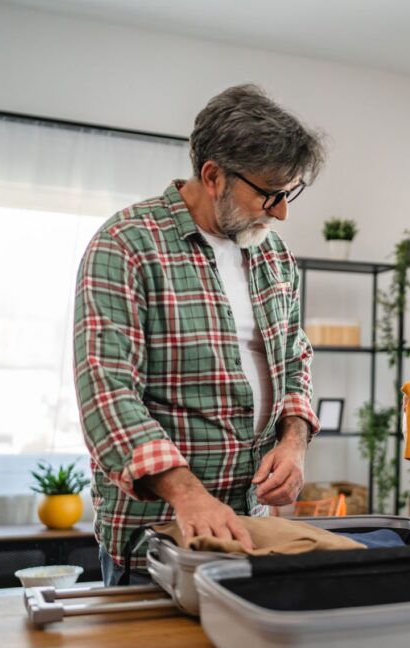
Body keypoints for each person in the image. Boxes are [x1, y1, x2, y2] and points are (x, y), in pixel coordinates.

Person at [73, 84, 326, 584]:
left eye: (288, 194)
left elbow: (295, 360)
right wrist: (188, 494)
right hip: (156, 539)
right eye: (270, 193)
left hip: (249, 526)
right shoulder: (125, 244)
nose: (281, 212)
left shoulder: (273, 256)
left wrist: (294, 441)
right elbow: (107, 393)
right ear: (213, 176)